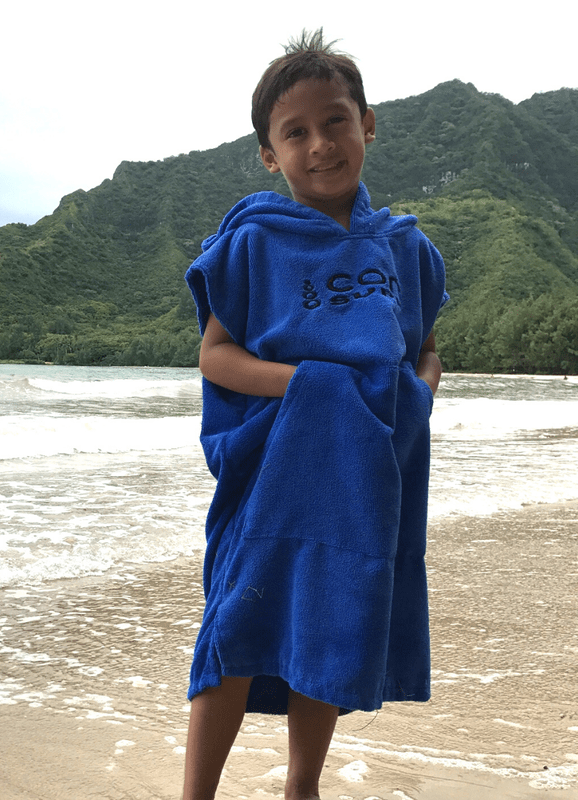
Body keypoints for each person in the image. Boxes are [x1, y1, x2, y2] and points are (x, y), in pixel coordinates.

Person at [181, 29, 448, 800]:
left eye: (335, 121)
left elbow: (426, 350)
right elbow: (216, 355)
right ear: (270, 155)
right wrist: (307, 386)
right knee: (235, 626)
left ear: (368, 124)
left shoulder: (406, 250)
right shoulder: (255, 242)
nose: (320, 144)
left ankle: (303, 787)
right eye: (295, 133)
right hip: (273, 473)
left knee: (329, 625)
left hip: (365, 475)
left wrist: (419, 396)